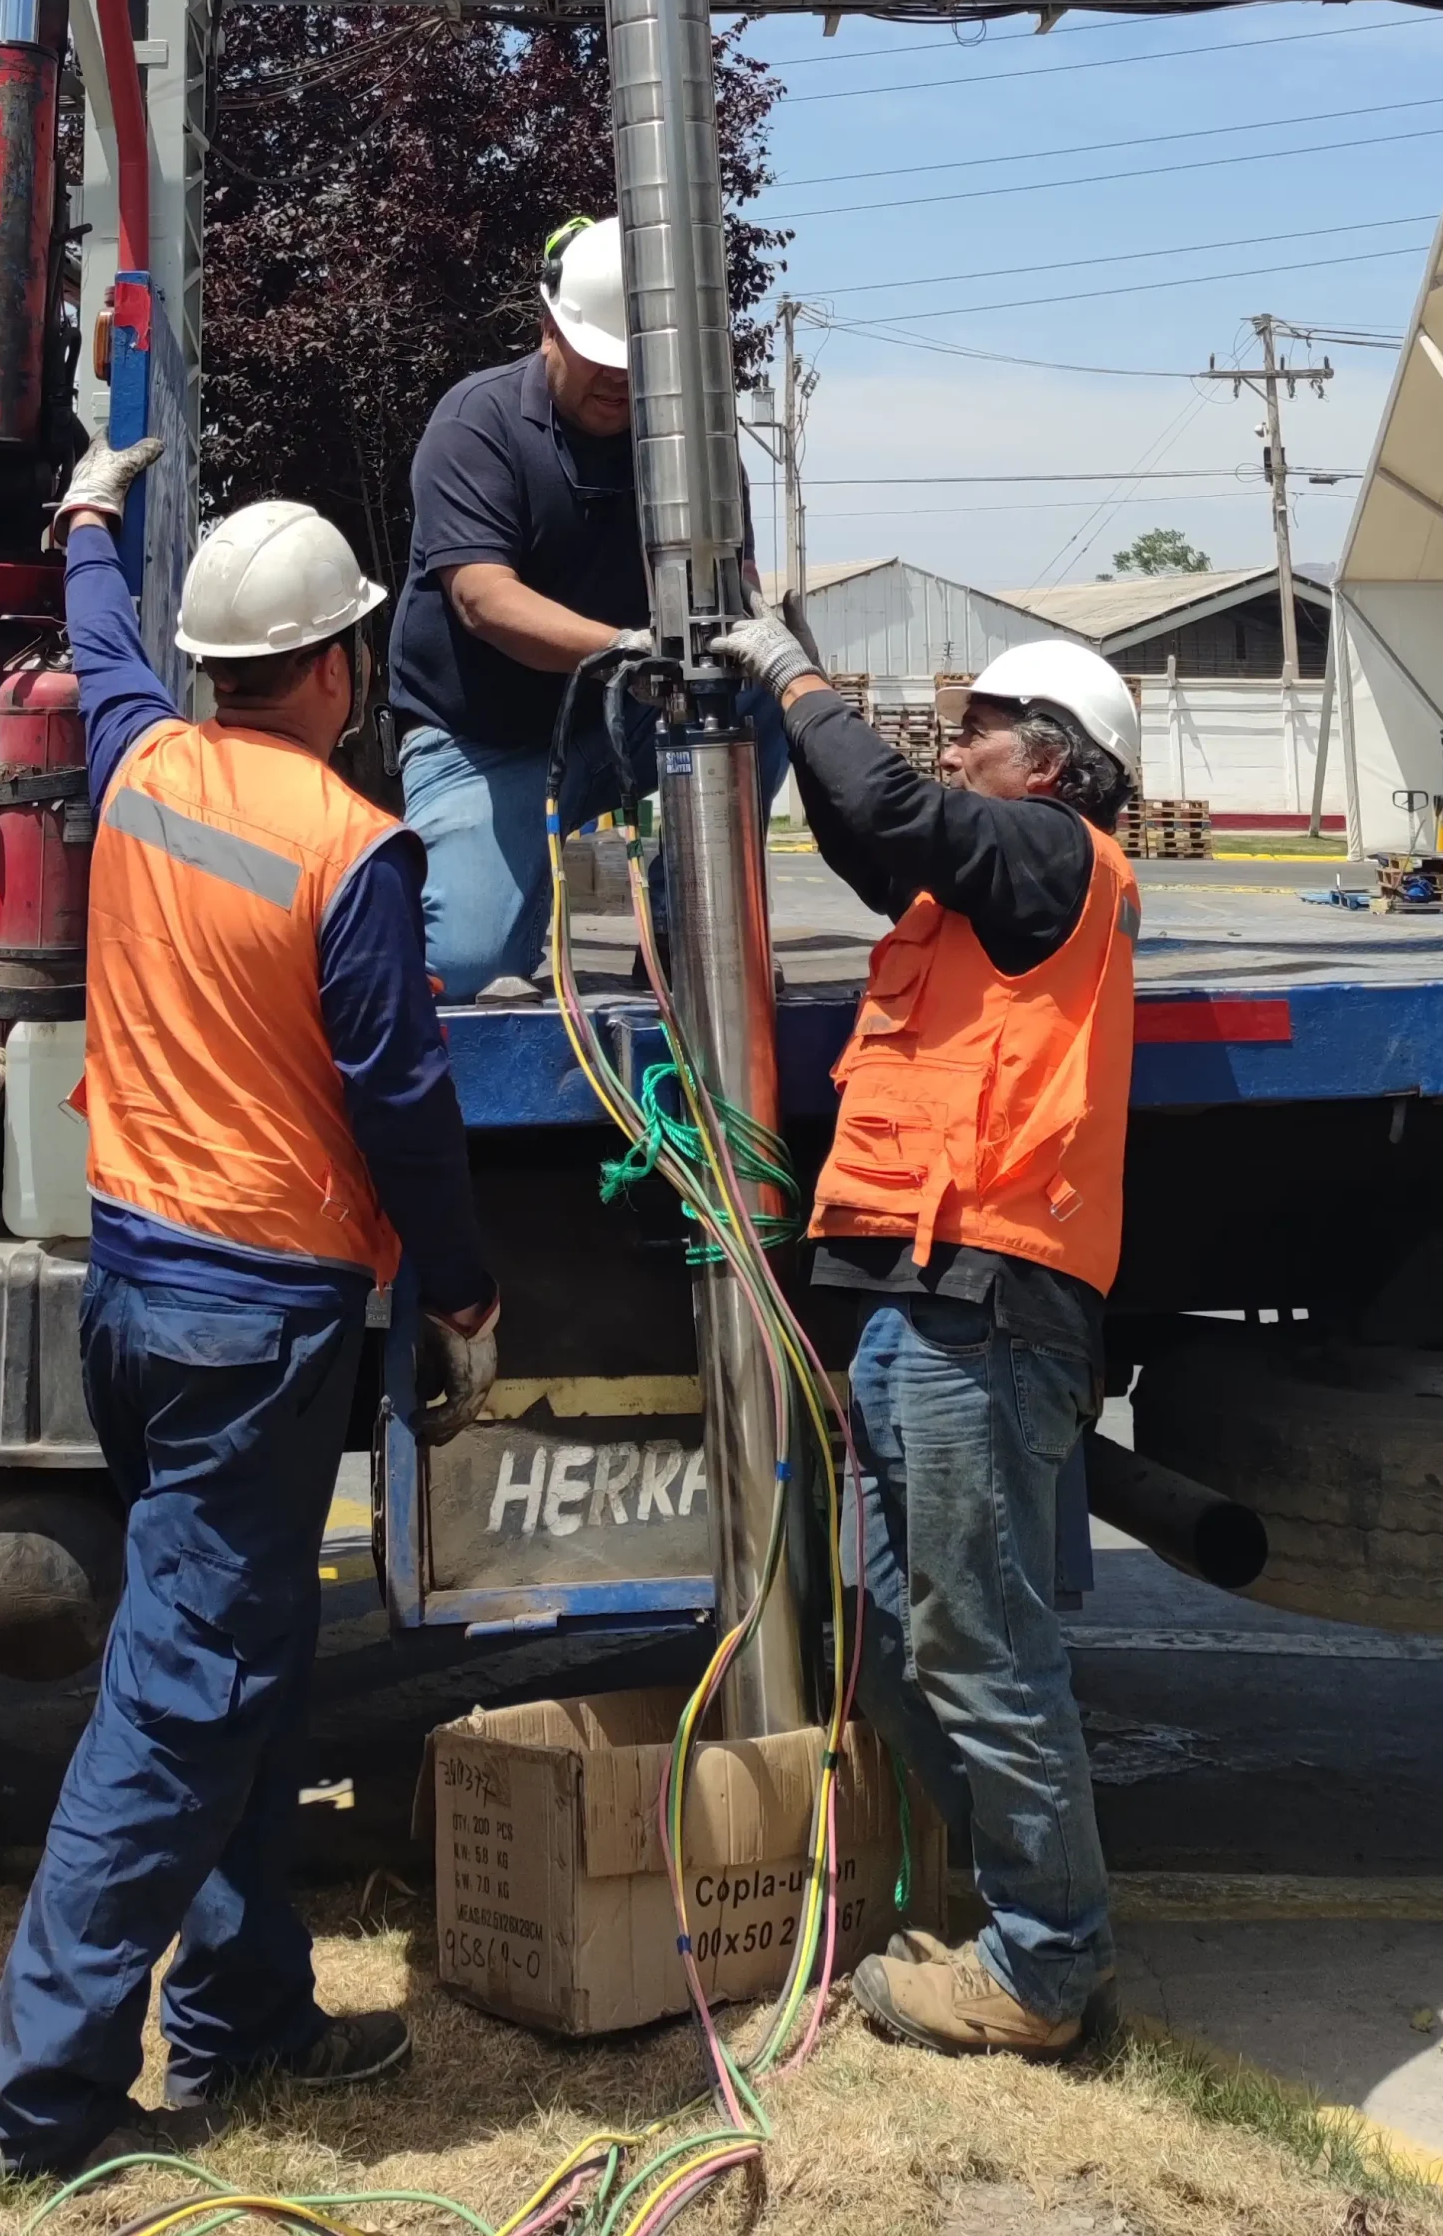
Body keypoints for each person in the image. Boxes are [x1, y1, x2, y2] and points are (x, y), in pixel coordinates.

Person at [0, 443, 499, 2190]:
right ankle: (34, 2117)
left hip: (131, 1289)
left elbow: (93, 626)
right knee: (186, 1691)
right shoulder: (350, 849)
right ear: (337, 671)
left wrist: (96, 509)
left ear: (215, 669)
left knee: (240, 1662)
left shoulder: (135, 765)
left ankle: (247, 2011)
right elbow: (405, 1103)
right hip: (254, 1318)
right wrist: (468, 1291)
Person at [708, 614, 1141, 2065]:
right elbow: (867, 826)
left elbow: (892, 800)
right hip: (926, 1305)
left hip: (992, 1312)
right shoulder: (980, 891)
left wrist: (794, 676)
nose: (954, 745)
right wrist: (782, 725)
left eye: (982, 727)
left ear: (1058, 764)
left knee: (979, 1645)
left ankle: (1045, 1963)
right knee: (898, 1643)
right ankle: (1020, 1921)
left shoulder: (1052, 857)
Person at [386, 214, 791, 1000]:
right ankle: (496, 913)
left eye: (637, 363)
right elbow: (482, 599)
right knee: (464, 970)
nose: (619, 380)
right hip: (483, 741)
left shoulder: (693, 448)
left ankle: (685, 931)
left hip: (626, 720)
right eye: (600, 357)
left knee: (754, 688)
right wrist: (627, 650)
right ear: (547, 325)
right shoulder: (480, 423)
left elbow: (731, 586)